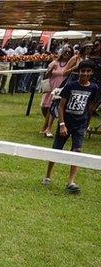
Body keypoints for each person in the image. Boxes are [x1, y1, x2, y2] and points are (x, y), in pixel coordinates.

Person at [42, 61, 99, 194]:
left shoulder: (94, 88)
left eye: (88, 71)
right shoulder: (71, 86)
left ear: (91, 73)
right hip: (66, 122)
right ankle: (48, 175)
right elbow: (61, 106)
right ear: (78, 72)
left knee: (77, 151)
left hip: (80, 124)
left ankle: (71, 181)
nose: (85, 73)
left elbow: (90, 107)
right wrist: (62, 124)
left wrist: (86, 125)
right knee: (56, 149)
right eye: (83, 71)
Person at [41, 48, 73, 138]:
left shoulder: (69, 65)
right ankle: (47, 124)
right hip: (51, 87)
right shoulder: (54, 63)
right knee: (44, 107)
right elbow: (46, 76)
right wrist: (51, 70)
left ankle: (46, 127)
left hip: (61, 88)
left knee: (52, 107)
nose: (67, 54)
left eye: (69, 52)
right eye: (65, 51)